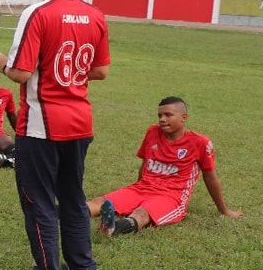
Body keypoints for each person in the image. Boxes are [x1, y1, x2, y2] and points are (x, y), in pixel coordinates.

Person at [0, 0, 110, 270]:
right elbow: (101, 70)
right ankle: (83, 268)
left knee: (38, 201)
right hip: (80, 122)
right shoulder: (95, 14)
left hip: (41, 126)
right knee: (73, 197)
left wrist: (2, 65)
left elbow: (20, 73)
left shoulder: (37, 13)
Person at [87, 97, 242, 236]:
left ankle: (113, 229)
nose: (162, 119)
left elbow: (210, 177)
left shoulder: (200, 143)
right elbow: (145, 163)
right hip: (143, 188)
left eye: (168, 115)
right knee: (100, 201)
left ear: (184, 118)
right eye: (160, 115)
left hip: (171, 196)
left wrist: (224, 210)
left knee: (141, 213)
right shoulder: (153, 132)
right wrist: (137, 189)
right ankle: (66, 213)